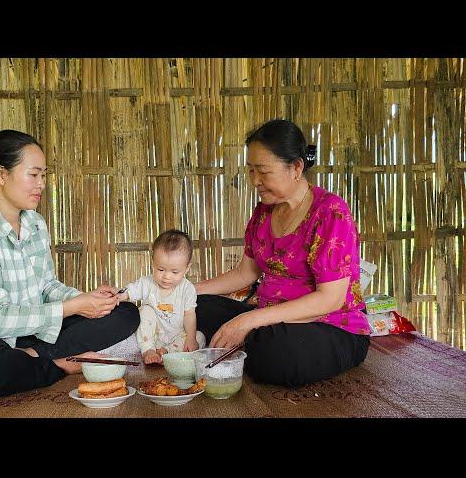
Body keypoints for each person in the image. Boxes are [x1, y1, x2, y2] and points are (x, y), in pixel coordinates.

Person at [0, 130, 140, 399]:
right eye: (33, 175)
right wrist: (71, 307)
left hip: (28, 334)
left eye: (43, 175)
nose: (41, 184)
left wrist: (86, 300)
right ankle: (57, 365)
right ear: (1, 175)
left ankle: (30, 357)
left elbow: (46, 286)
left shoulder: (35, 223)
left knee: (125, 313)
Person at [194, 119, 371, 388]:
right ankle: (240, 347)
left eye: (263, 172)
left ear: (296, 167)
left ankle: (237, 347)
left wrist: (246, 320)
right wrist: (185, 290)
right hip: (269, 319)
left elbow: (330, 299)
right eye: (251, 171)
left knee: (277, 352)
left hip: (330, 326)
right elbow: (246, 273)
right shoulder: (263, 212)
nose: (255, 181)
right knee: (197, 307)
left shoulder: (330, 213)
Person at [117, 230, 206, 364]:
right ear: (153, 263)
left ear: (187, 268)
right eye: (161, 270)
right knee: (144, 310)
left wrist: (191, 338)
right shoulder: (148, 283)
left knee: (199, 337)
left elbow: (189, 315)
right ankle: (148, 350)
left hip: (177, 336)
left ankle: (166, 352)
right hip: (151, 335)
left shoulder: (187, 289)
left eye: (175, 272)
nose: (167, 276)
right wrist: (120, 296)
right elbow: (131, 290)